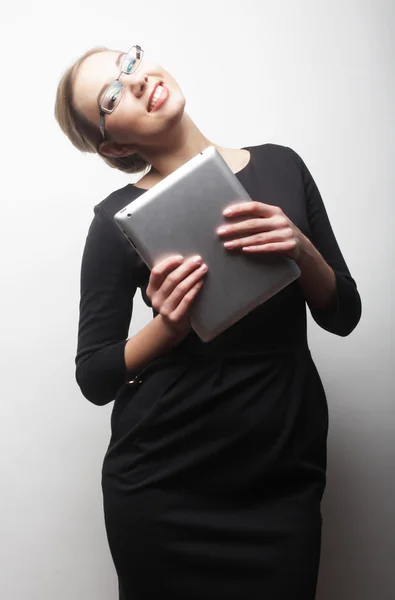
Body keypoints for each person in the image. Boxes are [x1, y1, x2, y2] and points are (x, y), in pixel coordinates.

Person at [54, 43, 362, 600]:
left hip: (280, 471)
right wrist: (165, 329)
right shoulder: (114, 222)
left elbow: (343, 315)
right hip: (162, 484)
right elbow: (93, 376)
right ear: (115, 143)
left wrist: (302, 250)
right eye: (113, 93)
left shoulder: (282, 165)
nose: (137, 80)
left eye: (130, 63)